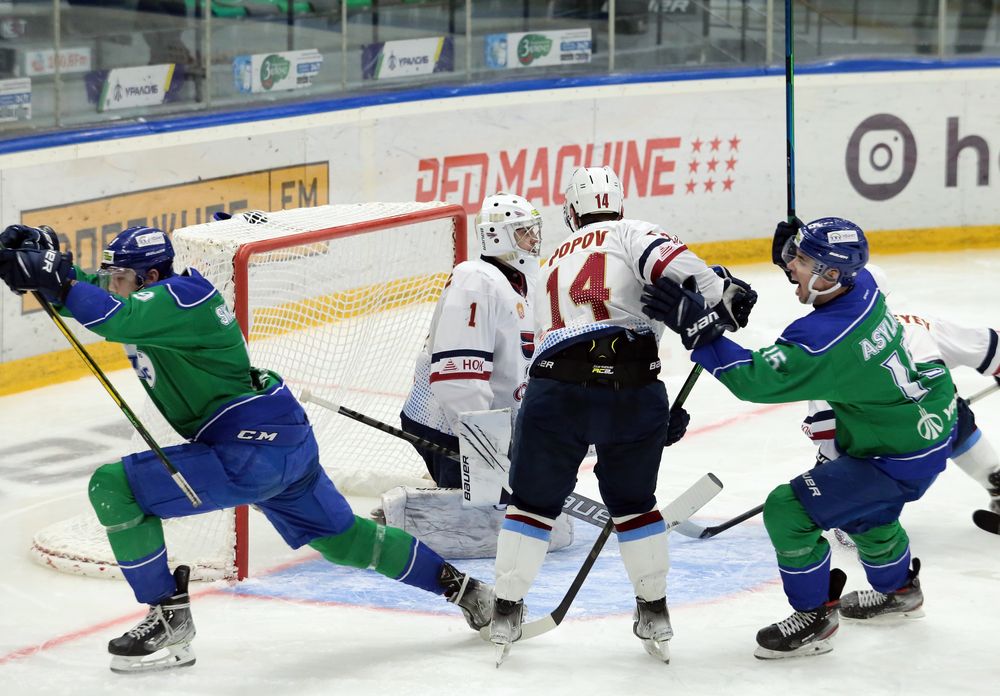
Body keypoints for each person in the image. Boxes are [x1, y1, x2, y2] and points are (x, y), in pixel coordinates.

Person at [0, 222, 493, 674]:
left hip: (250, 450)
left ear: (150, 276)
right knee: (345, 540)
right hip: (281, 442)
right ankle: (467, 590)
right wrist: (50, 276)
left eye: (120, 277)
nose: (112, 285)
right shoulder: (159, 298)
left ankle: (168, 617)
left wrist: (58, 277)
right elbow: (99, 297)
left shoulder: (181, 297)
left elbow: (113, 316)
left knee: (114, 487)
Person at [642, 216, 957, 659]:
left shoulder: (824, 340)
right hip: (922, 420)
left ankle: (814, 618)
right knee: (866, 512)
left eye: (801, 261)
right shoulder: (863, 284)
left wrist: (699, 331)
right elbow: (834, 270)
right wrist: (797, 255)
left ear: (832, 274)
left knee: (788, 510)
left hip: (898, 452)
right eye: (794, 256)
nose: (791, 265)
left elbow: (752, 379)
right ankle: (900, 591)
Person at [487, 166, 757, 664]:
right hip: (632, 389)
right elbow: (689, 274)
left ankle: (506, 610)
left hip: (552, 389)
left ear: (572, 212)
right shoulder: (632, 232)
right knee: (635, 506)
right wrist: (723, 295)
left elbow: (546, 345)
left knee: (531, 505)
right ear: (619, 204)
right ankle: (654, 611)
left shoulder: (549, 264)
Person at [393, 192, 572, 558]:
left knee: (517, 516)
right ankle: (409, 520)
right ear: (496, 236)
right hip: (448, 425)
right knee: (478, 531)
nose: (533, 239)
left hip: (493, 427)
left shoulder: (526, 283)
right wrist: (485, 450)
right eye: (522, 231)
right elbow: (458, 378)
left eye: (533, 229)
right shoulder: (476, 281)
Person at [800, 265, 1000, 518]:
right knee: (949, 406)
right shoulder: (918, 324)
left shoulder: (828, 347)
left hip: (891, 457)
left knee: (855, 477)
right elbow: (988, 347)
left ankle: (860, 518)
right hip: (941, 429)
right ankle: (995, 478)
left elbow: (828, 428)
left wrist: (827, 475)